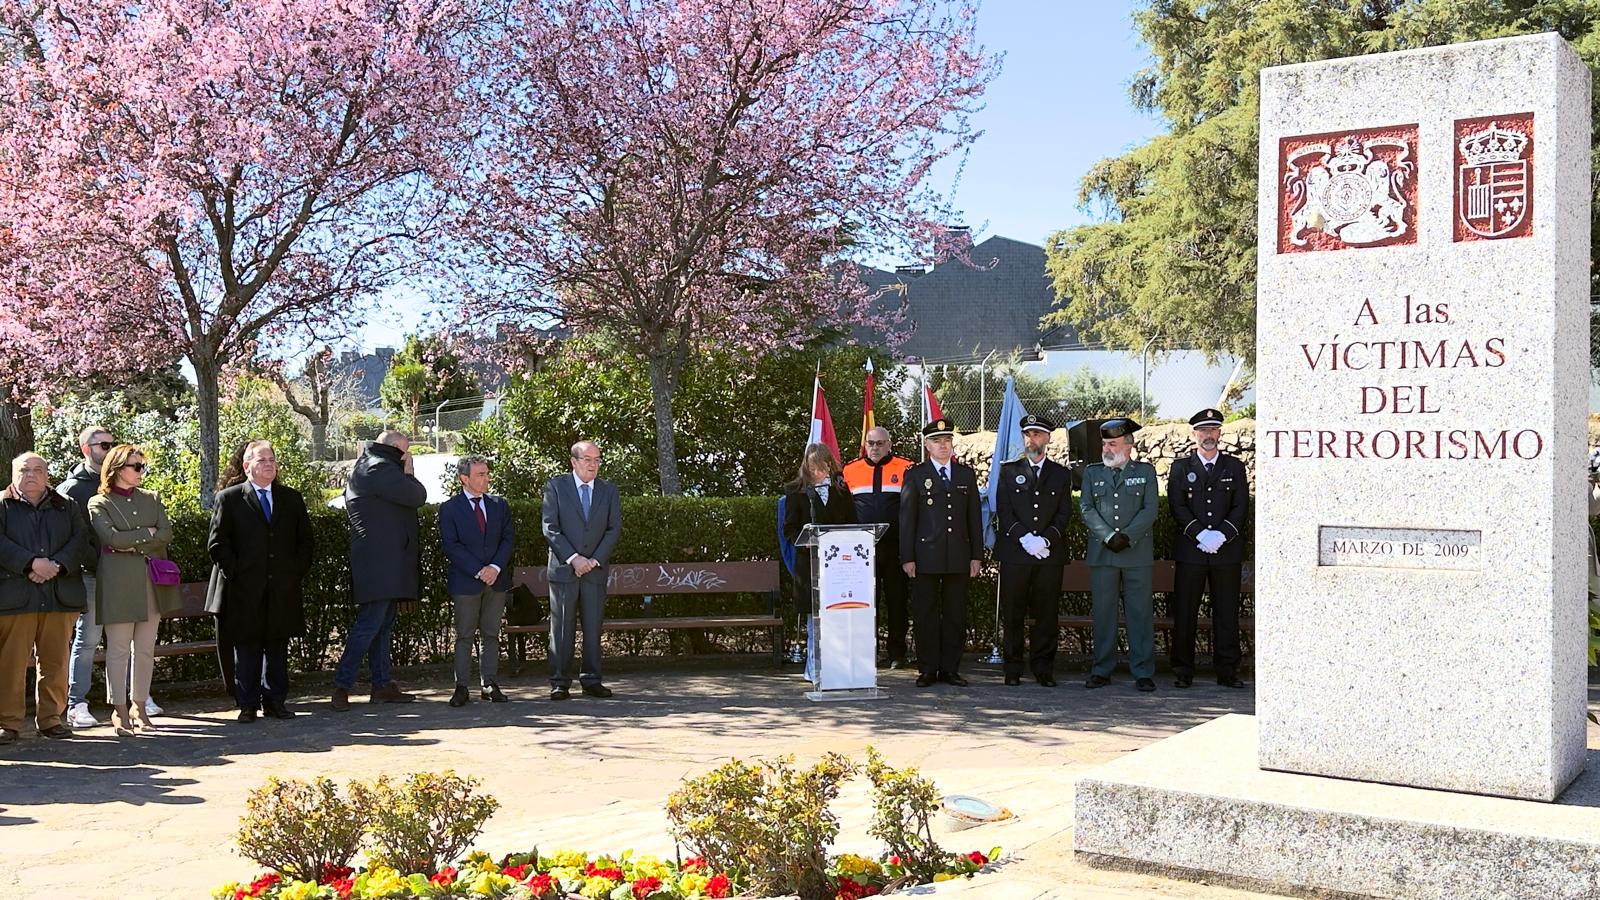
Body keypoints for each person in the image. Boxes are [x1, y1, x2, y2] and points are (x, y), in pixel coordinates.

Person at [206, 440, 316, 722]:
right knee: (247, 649)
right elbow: (218, 544)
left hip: (281, 589)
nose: (269, 464)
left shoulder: (291, 498)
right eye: (262, 460)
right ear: (247, 466)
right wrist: (237, 575)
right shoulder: (229, 499)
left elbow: (305, 543)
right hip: (244, 590)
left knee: (278, 648)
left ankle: (276, 702)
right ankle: (247, 704)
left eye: (272, 459)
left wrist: (293, 573)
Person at [87, 445, 178, 734]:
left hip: (150, 583)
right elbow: (111, 538)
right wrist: (145, 534)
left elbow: (165, 534)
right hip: (118, 584)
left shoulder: (152, 498)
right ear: (116, 468)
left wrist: (131, 540)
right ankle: (119, 710)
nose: (141, 471)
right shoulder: (98, 502)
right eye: (135, 466)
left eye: (142, 466)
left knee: (146, 650)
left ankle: (140, 704)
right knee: (117, 650)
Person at [0, 452, 89, 743]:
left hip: (57, 594)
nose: (31, 475)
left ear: (47, 474)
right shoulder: (1, 504)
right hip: (15, 598)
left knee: (55, 662)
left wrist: (56, 566)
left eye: (38, 470)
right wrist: (30, 563)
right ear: (13, 474)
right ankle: (8, 722)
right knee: (10, 664)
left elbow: (80, 540)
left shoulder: (67, 505)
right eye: (24, 470)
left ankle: (51, 719)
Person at [334, 431, 427, 710]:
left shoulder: (369, 465)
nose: (407, 457)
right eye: (405, 452)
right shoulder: (381, 468)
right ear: (394, 449)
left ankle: (382, 684)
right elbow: (417, 495)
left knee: (381, 626)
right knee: (370, 625)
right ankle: (342, 684)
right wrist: (409, 473)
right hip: (381, 564)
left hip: (380, 562)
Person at [1166, 409, 1250, 689]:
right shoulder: (1181, 467)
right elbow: (1177, 505)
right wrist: (1200, 533)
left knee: (1226, 613)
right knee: (1186, 611)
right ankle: (1183, 670)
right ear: (1194, 435)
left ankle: (1227, 671)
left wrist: (1222, 535)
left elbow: (1240, 507)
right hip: (1192, 549)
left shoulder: (1234, 467)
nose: (1208, 436)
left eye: (1213, 430)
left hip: (1226, 552)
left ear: (1220, 434)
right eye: (1203, 431)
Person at [898, 419, 983, 688]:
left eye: (947, 440)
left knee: (955, 614)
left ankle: (950, 669)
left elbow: (974, 520)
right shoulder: (915, 475)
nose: (943, 445)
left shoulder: (965, 475)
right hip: (926, 556)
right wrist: (907, 557)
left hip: (958, 555)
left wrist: (976, 555)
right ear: (927, 445)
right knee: (926, 614)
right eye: (937, 441)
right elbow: (907, 520)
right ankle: (927, 669)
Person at [1080, 419, 1160, 692]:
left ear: (1128, 445)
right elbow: (1087, 508)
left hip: (1136, 554)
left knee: (1140, 613)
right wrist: (1109, 536)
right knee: (1104, 614)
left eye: (1112, 443)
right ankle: (1102, 669)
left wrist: (1127, 536)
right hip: (1104, 555)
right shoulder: (1092, 473)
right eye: (1104, 443)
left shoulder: (1145, 471)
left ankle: (1143, 671)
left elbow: (1150, 509)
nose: (1106, 448)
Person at [994, 414, 1072, 687]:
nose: (1032, 439)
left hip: (1049, 555)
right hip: (1016, 553)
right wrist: (1025, 538)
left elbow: (1064, 514)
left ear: (1048, 439)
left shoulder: (1062, 474)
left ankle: (1043, 667)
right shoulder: (1008, 471)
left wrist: (1045, 540)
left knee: (1046, 613)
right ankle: (1012, 668)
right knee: (1013, 612)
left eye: (1038, 434)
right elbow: (1003, 511)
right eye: (1028, 435)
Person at [59, 426, 128, 728]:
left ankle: (130, 700)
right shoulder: (71, 489)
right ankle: (77, 703)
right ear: (86, 449)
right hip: (91, 574)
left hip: (123, 574)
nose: (110, 450)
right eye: (103, 445)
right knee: (87, 640)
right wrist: (97, 562)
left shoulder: (122, 482)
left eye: (113, 444)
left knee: (123, 639)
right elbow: (71, 536)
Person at [541, 441, 621, 701]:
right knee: (561, 629)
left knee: (593, 627)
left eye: (597, 460)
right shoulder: (556, 487)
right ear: (573, 462)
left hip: (595, 571)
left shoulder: (608, 491)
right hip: (565, 570)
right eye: (588, 459)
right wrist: (575, 559)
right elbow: (550, 527)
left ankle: (591, 680)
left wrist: (594, 560)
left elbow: (613, 529)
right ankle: (560, 682)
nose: (593, 465)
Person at [439, 455, 514, 707]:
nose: (487, 478)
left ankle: (489, 683)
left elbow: (507, 539)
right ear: (465, 478)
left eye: (487, 473)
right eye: (480, 474)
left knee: (491, 633)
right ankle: (461, 686)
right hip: (466, 582)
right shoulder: (449, 509)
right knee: (464, 635)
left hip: (496, 580)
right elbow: (451, 545)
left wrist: (494, 568)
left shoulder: (499, 505)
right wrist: (478, 570)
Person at [782, 442, 857, 680]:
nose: (817, 472)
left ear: (830, 465)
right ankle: (815, 670)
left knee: (838, 617)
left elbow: (853, 524)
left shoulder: (841, 491)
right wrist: (803, 541)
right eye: (813, 468)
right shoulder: (796, 493)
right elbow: (789, 529)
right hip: (810, 565)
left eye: (822, 467)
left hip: (839, 566)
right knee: (814, 621)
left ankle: (838, 669)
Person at [842, 427, 913, 669]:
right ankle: (866, 652)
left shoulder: (906, 467)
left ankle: (896, 653)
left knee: (897, 601)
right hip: (862, 551)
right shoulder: (850, 470)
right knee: (865, 603)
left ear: (890, 444)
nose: (875, 448)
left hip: (896, 548)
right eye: (870, 443)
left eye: (880, 443)